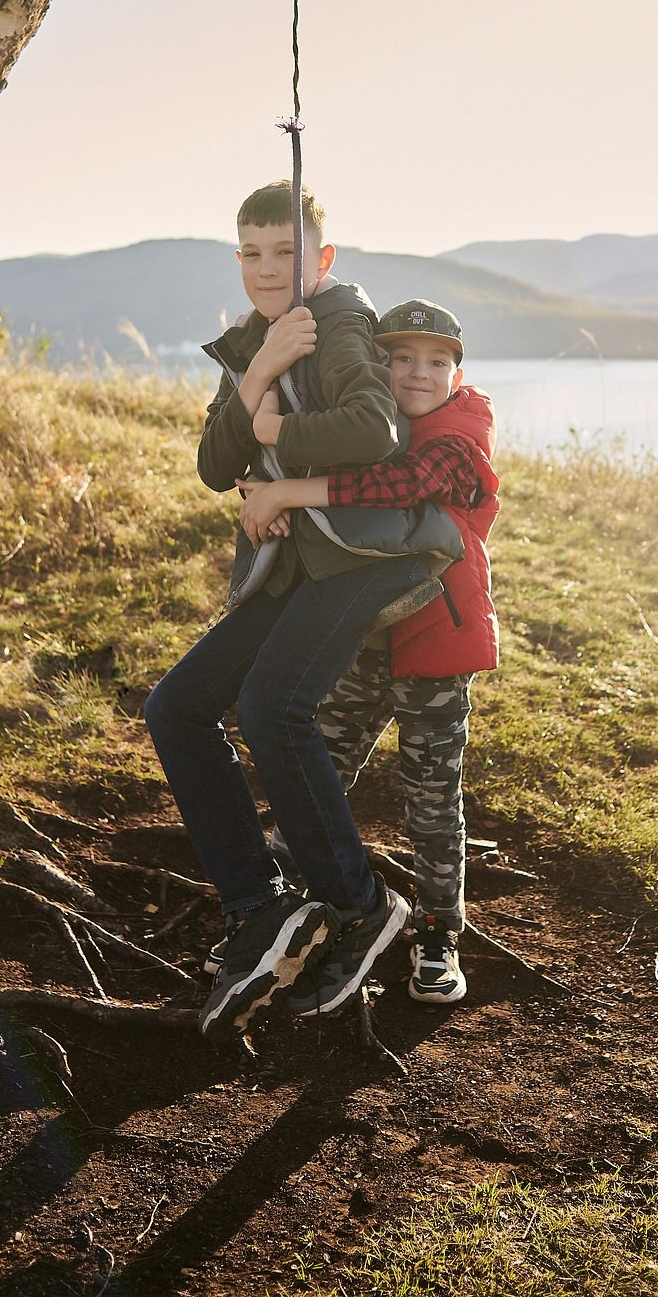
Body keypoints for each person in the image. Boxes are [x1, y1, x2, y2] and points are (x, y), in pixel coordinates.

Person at [143, 182, 458, 1042]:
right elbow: (214, 464)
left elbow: (371, 430)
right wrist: (258, 371)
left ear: (321, 260)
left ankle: (362, 907)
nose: (266, 269)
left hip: (364, 551)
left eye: (286, 252)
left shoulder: (341, 322)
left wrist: (275, 441)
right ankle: (262, 907)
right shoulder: (253, 340)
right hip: (295, 568)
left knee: (271, 708)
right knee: (175, 706)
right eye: (252, 252)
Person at [235, 300, 499, 1010]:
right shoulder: (365, 425)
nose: (418, 373)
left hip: (436, 644)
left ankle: (439, 933)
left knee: (430, 796)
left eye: (436, 361)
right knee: (320, 763)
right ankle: (294, 913)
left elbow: (402, 489)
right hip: (363, 634)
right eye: (400, 358)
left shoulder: (461, 430)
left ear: (457, 371)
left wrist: (290, 485)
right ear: (377, 365)